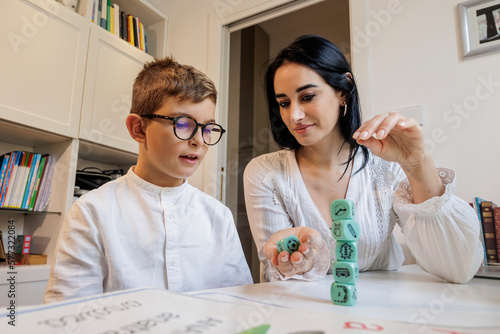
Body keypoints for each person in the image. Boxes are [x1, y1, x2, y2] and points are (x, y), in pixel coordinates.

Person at [243, 34, 483, 284]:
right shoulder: (265, 172)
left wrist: (417, 163)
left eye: (307, 97)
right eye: (283, 103)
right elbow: (276, 277)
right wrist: (293, 263)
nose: (294, 115)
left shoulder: (386, 164)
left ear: (342, 92)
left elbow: (457, 267)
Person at [44, 57, 253, 302]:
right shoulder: (91, 212)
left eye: (208, 128)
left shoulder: (219, 217)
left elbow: (239, 307)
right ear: (139, 129)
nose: (199, 141)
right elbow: (68, 317)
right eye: (183, 123)